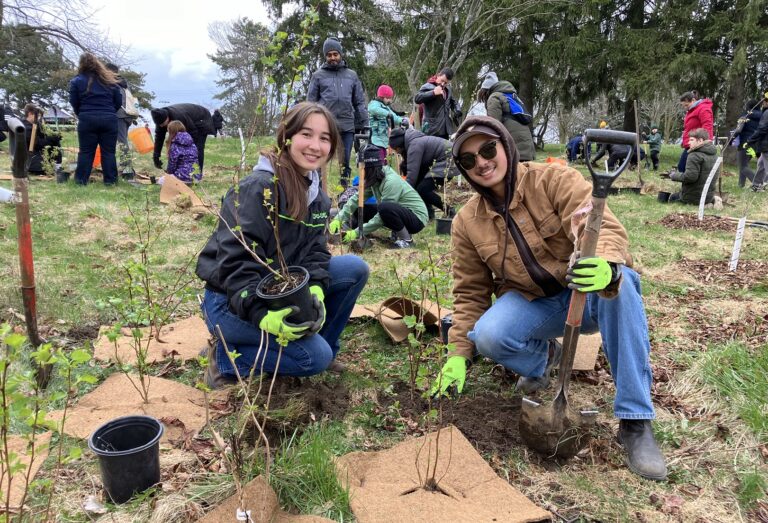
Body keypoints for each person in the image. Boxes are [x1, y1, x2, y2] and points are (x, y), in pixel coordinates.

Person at [431, 115, 667, 482]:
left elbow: (598, 224)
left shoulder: (554, 180)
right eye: (468, 159)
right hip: (535, 303)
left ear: (506, 146)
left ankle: (635, 421)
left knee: (624, 285)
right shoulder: (467, 222)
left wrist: (605, 264)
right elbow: (470, 293)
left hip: (587, 294)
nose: (482, 162)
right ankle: (546, 359)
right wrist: (458, 354)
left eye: (488, 149)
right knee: (487, 334)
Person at [196, 102, 369, 387]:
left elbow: (315, 251)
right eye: (306, 134)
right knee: (312, 358)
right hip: (231, 301)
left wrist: (316, 286)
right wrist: (261, 314)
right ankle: (226, 358)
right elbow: (236, 260)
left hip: (277, 289)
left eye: (325, 138)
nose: (315, 145)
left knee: (353, 268)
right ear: (286, 136)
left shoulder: (317, 196)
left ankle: (321, 345)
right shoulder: (258, 188)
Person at [330, 145, 429, 249]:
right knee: (365, 208)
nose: (361, 173)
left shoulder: (391, 181)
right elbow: (356, 199)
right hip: (399, 211)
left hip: (416, 218)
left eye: (363, 170)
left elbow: (381, 216)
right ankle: (396, 232)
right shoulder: (375, 178)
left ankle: (407, 240)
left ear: (370, 169)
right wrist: (339, 218)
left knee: (384, 208)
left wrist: (357, 232)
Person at [307, 37, 369, 188]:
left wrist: (365, 123)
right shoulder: (318, 76)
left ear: (340, 54)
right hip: (325, 125)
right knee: (320, 160)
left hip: (347, 125)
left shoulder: (351, 75)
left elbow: (359, 102)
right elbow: (310, 103)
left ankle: (344, 192)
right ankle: (319, 193)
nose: (333, 57)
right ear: (325, 56)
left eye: (335, 54)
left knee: (345, 161)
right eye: (329, 55)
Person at [68, 52, 122, 185]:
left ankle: (81, 181)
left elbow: (73, 101)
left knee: (86, 152)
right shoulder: (110, 81)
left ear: (81, 65)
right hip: (109, 118)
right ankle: (111, 182)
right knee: (108, 152)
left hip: (87, 118)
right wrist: (109, 112)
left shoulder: (76, 81)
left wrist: (81, 113)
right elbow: (119, 101)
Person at [388, 127, 458, 219]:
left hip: (448, 162)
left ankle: (449, 210)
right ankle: (429, 214)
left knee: (423, 189)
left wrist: (402, 193)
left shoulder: (414, 145)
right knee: (421, 187)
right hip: (441, 161)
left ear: (400, 145)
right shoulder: (413, 141)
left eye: (396, 149)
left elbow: (412, 175)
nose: (396, 152)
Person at [477, 72, 536, 162]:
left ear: (486, 91)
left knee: (515, 175)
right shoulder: (510, 96)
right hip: (527, 148)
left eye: (483, 95)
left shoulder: (494, 97)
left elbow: (493, 126)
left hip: (516, 149)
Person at [151, 103, 215, 175]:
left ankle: (196, 174)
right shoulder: (159, 119)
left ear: (167, 118)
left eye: (163, 124)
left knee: (197, 148)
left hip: (201, 119)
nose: (162, 126)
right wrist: (156, 156)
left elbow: (193, 132)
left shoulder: (179, 116)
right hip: (190, 122)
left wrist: (187, 147)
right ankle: (184, 172)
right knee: (180, 148)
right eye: (160, 125)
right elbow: (159, 138)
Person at [663, 128, 717, 204]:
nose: (688, 142)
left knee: (672, 198)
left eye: (691, 140)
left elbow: (690, 177)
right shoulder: (714, 155)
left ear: (700, 141)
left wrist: (673, 175)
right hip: (708, 197)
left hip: (694, 198)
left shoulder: (694, 155)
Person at [105, 63, 138, 179]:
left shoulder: (113, 83)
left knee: (122, 142)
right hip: (127, 115)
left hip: (119, 115)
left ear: (109, 71)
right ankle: (124, 168)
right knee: (121, 141)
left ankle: (127, 169)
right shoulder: (123, 82)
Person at [414, 68, 461, 139]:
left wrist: (457, 110)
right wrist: (433, 93)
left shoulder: (448, 89)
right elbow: (417, 99)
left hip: (445, 129)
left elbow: (453, 101)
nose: (443, 84)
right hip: (431, 130)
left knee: (444, 149)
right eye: (442, 80)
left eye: (446, 83)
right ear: (438, 75)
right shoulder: (427, 86)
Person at [677, 91, 713, 174]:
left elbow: (707, 126)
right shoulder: (691, 110)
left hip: (698, 144)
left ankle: (693, 185)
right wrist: (685, 141)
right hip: (691, 143)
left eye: (686, 105)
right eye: (683, 106)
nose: (685, 107)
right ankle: (689, 186)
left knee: (683, 167)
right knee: (684, 168)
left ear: (693, 100)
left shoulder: (703, 109)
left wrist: (704, 143)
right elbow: (689, 128)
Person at [22, 104, 63, 176]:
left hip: (36, 152)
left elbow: (44, 136)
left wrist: (54, 135)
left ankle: (57, 167)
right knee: (43, 169)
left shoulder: (35, 124)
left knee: (55, 145)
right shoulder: (25, 127)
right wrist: (52, 139)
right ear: (30, 114)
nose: (38, 118)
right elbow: (38, 143)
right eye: (37, 115)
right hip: (29, 156)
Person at [368, 85, 405, 162]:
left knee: (384, 161)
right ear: (383, 97)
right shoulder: (374, 104)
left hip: (383, 140)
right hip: (375, 139)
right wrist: (387, 114)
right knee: (379, 161)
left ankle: (383, 172)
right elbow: (373, 109)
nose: (390, 101)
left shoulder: (386, 107)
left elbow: (394, 117)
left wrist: (402, 120)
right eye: (389, 98)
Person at [733, 99, 761, 188]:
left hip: (745, 143)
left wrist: (731, 139)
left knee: (742, 166)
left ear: (748, 106)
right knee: (744, 164)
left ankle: (757, 183)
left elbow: (738, 129)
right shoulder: (762, 116)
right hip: (756, 144)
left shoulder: (745, 115)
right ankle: (740, 185)